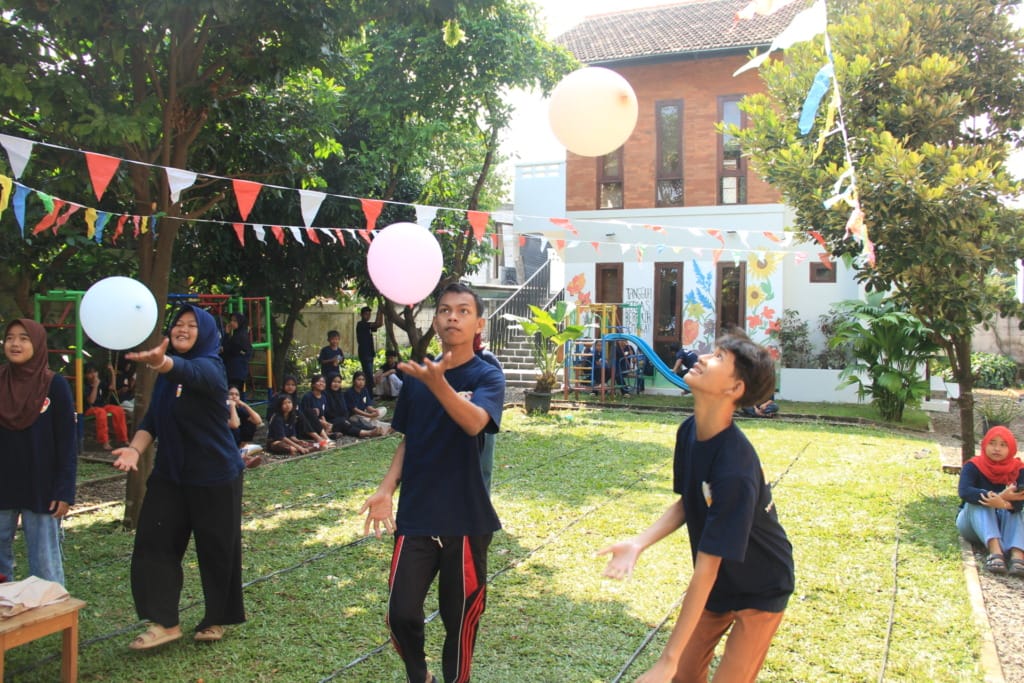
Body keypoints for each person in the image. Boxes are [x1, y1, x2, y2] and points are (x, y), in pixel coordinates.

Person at [598, 333, 794, 683]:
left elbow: (706, 570)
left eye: (718, 356)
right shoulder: (689, 431)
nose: (702, 357)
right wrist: (639, 543)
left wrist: (666, 660)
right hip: (719, 588)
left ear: (734, 388)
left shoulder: (735, 469)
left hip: (761, 587)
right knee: (684, 678)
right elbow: (689, 501)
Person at [360, 282, 505, 683]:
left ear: (478, 322)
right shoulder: (417, 379)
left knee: (459, 621)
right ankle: (419, 675)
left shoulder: (487, 375)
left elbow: (476, 421)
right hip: (417, 515)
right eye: (445, 310)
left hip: (464, 519)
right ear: (436, 321)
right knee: (400, 612)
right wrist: (386, 489)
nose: (452, 317)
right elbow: (411, 439)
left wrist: (440, 383)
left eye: (462, 310)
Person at [112, 304, 246, 650]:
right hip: (171, 475)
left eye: (191, 325)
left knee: (217, 549)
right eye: (177, 324)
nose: (182, 330)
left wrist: (160, 362)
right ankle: (165, 622)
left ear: (206, 332)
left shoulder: (212, 367)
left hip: (215, 476)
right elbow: (152, 421)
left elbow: (191, 373)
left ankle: (215, 617)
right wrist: (134, 450)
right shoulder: (165, 380)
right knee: (153, 545)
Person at [0, 319, 77, 585]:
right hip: (3, 484)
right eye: (10, 338)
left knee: (45, 563)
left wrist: (64, 491)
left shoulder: (54, 385)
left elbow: (67, 442)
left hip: (42, 486)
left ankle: (49, 618)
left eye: (23, 338)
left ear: (37, 343)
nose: (15, 344)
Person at [956, 426, 1024, 576]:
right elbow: (965, 492)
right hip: (971, 524)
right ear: (985, 444)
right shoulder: (973, 466)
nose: (997, 449)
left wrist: (1004, 504)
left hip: (1003, 524)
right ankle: (995, 552)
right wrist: (1001, 497)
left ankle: (1018, 555)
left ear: (1011, 448)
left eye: (1003, 445)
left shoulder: (1018, 470)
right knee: (980, 502)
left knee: (1015, 510)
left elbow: (1020, 501)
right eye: (992, 443)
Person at [83, 360, 130, 450]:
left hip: (102, 406)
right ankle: (104, 441)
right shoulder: (85, 386)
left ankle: (123, 439)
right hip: (90, 409)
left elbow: (112, 388)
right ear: (86, 375)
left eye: (95, 372)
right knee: (101, 413)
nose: (93, 375)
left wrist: (112, 372)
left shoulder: (101, 383)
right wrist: (95, 386)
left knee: (118, 410)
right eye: (90, 373)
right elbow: (91, 401)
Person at [324, 375, 383, 439]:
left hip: (343, 418)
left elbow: (345, 410)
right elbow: (327, 413)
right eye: (334, 382)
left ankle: (370, 429)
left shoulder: (340, 394)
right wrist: (369, 415)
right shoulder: (325, 395)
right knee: (344, 423)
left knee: (352, 423)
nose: (336, 384)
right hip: (330, 422)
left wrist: (373, 411)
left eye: (338, 382)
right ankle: (368, 433)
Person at [227, 385, 263, 468]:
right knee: (235, 429)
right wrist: (232, 406)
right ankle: (241, 457)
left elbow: (258, 421)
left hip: (237, 443)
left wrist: (245, 405)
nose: (234, 396)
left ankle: (241, 453)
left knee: (251, 423)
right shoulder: (221, 409)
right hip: (223, 442)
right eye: (231, 394)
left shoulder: (239, 408)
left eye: (237, 394)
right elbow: (234, 425)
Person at [220, 312, 253, 399]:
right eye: (231, 320)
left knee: (234, 394)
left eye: (235, 321)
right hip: (235, 371)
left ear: (240, 322)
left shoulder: (240, 337)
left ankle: (237, 411)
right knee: (234, 394)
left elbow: (227, 350)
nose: (232, 323)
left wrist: (226, 335)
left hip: (236, 372)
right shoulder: (237, 335)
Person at [297, 374, 333, 445]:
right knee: (311, 412)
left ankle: (325, 435)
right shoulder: (307, 397)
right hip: (308, 425)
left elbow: (322, 414)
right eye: (319, 381)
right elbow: (307, 415)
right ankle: (325, 438)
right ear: (313, 384)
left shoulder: (323, 397)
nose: (321, 383)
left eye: (323, 382)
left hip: (318, 424)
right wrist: (324, 423)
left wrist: (326, 425)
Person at [356, 305, 383, 393]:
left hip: (370, 353)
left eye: (369, 314)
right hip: (364, 353)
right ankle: (369, 394)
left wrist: (381, 311)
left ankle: (367, 393)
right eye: (366, 314)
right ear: (362, 315)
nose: (368, 316)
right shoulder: (361, 324)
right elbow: (377, 323)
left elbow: (380, 324)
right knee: (368, 375)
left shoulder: (368, 325)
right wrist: (380, 309)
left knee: (368, 374)